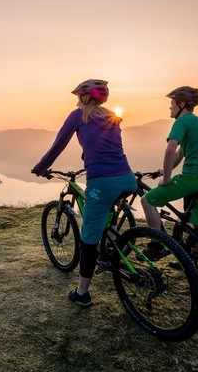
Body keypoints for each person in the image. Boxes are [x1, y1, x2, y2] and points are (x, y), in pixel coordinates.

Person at [31, 79, 136, 307]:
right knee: (104, 219)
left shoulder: (78, 116)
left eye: (78, 96)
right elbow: (107, 147)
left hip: (102, 182)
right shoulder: (112, 117)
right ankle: (112, 246)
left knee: (88, 238)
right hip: (127, 177)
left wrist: (41, 167)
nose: (76, 100)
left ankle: (82, 293)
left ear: (86, 97)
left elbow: (58, 145)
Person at [140, 86, 198, 260]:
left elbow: (170, 150)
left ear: (182, 104)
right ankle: (193, 261)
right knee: (196, 224)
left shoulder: (182, 122)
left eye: (172, 103)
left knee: (147, 200)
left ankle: (156, 247)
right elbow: (180, 154)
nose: (170, 107)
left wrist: (166, 179)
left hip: (195, 177)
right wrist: (165, 170)